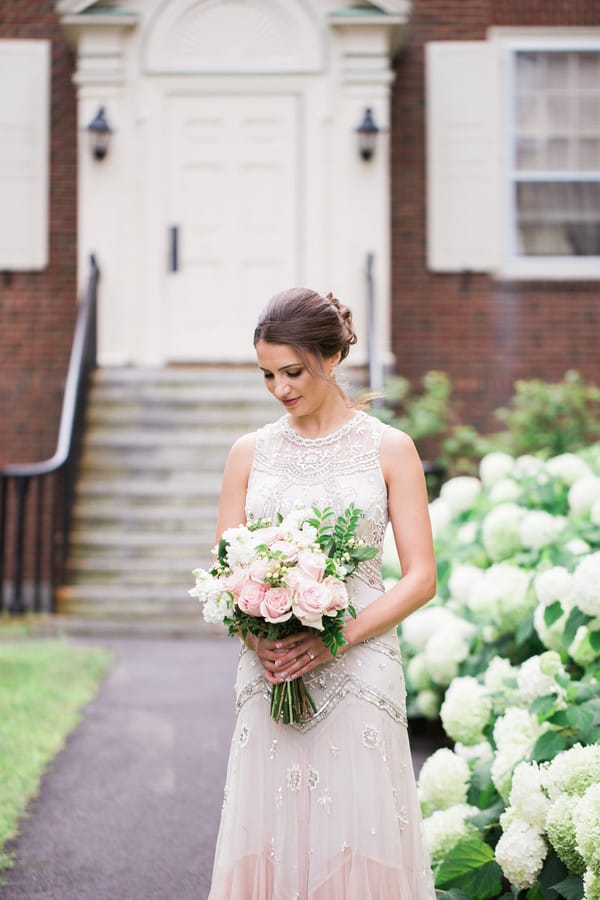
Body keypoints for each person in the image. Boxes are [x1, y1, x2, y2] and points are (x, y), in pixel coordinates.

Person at [208, 288, 437, 899]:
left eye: (293, 371)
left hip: (359, 670)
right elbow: (226, 567)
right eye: (267, 375)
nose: (280, 388)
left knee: (357, 838)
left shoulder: (390, 448)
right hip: (273, 672)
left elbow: (421, 577)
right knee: (272, 835)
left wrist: (334, 639)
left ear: (331, 359)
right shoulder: (248, 454)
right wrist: (258, 634)